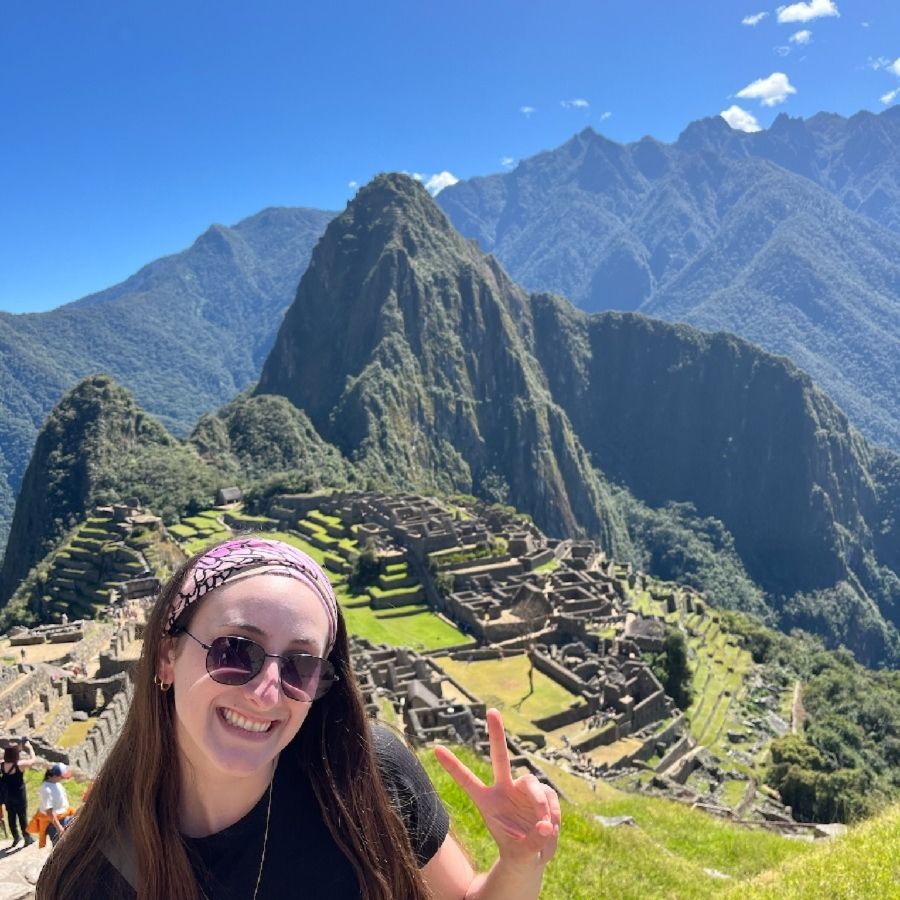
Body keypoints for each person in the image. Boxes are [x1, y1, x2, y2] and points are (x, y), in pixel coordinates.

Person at [38, 537, 560, 899]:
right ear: (167, 656)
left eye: (301, 666)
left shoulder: (365, 776)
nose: (266, 694)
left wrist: (516, 866)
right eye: (235, 651)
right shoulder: (89, 879)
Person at [1, 739, 37, 847]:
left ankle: (16, 837)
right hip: (19, 795)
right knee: (22, 816)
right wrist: (30, 748)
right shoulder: (20, 765)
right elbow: (33, 760)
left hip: (7, 796)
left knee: (11, 817)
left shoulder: (2, 766)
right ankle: (27, 838)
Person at [39, 763, 76, 845]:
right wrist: (59, 828)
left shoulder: (56, 783)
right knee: (59, 845)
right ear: (55, 775)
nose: (63, 778)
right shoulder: (46, 789)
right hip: (55, 823)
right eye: (62, 776)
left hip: (65, 818)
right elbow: (49, 812)